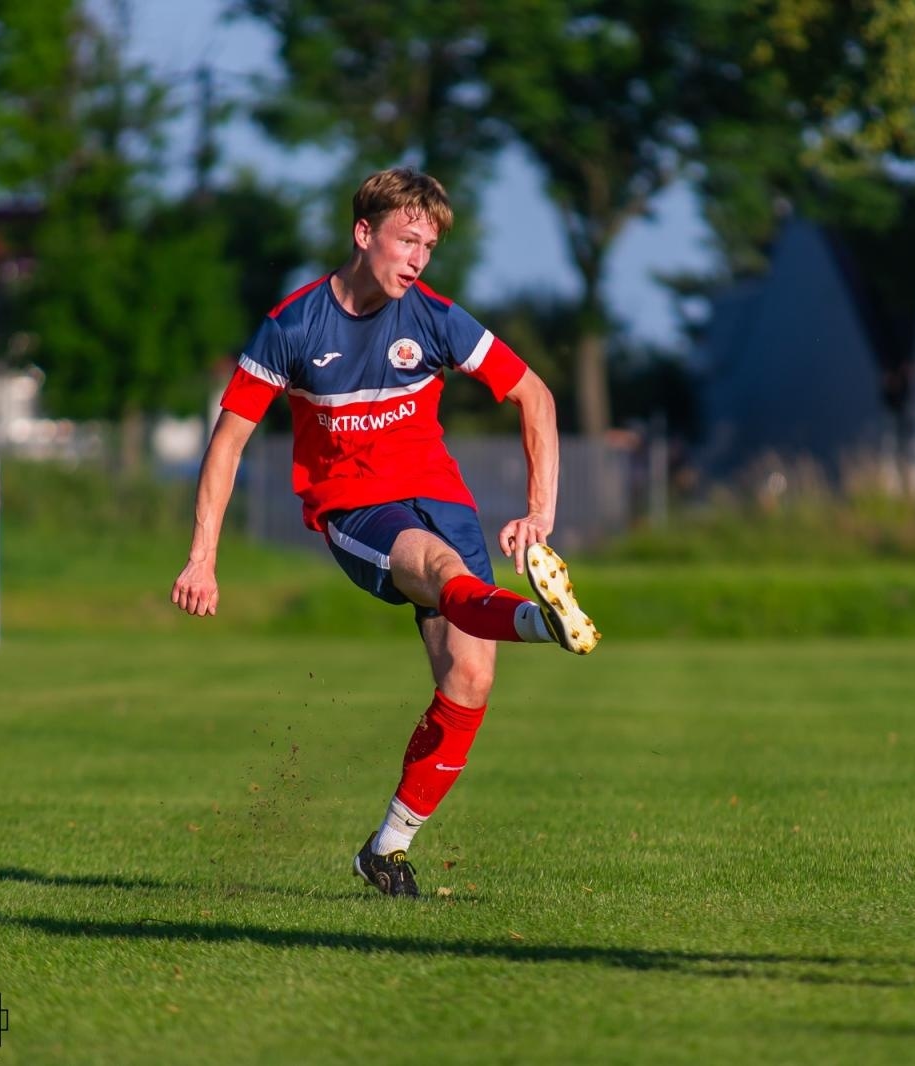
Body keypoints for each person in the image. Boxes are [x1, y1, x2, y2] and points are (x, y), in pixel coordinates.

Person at [170, 167, 602, 899]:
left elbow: (535, 395)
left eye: (429, 246)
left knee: (469, 679)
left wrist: (540, 514)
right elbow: (228, 442)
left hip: (442, 498)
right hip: (355, 507)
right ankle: (539, 620)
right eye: (407, 240)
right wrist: (202, 557)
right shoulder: (294, 325)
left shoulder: (433, 315)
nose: (418, 258)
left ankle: (386, 849)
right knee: (438, 570)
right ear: (363, 233)